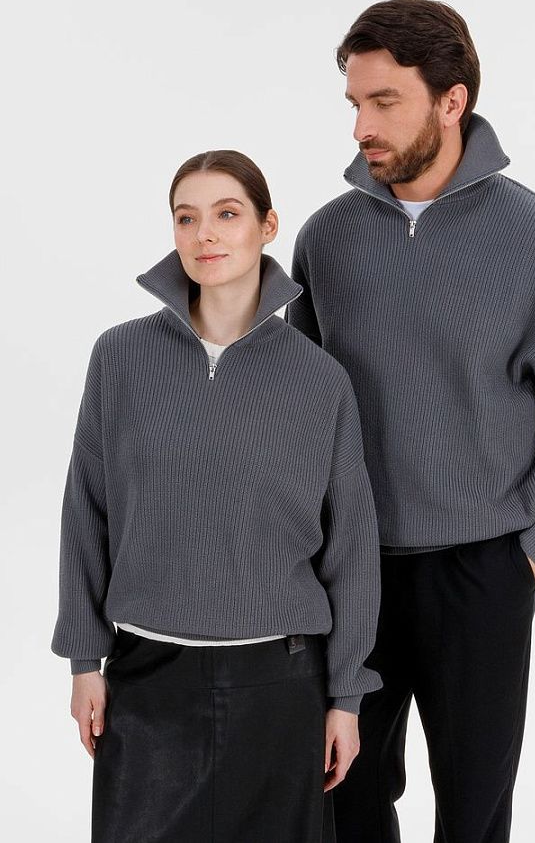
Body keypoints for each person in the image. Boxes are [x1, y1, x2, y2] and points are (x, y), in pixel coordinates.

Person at [286, 0, 535, 843]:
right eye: (354, 103)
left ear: (452, 101)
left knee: (474, 817)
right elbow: (295, 410)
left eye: (384, 102)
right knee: (341, 801)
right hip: (352, 573)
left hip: (482, 575)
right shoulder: (326, 240)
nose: (361, 128)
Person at [50, 149, 383, 842]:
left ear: (267, 227)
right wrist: (85, 662)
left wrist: (346, 697)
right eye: (186, 217)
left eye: (227, 214)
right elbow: (86, 512)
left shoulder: (320, 380)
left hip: (281, 684)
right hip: (147, 678)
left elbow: (351, 547)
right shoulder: (120, 358)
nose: (205, 234)